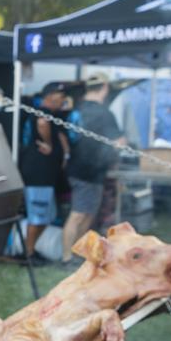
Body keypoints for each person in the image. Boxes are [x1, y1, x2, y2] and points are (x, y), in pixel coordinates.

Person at [61, 74, 124, 264]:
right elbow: (119, 143)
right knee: (79, 215)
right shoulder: (105, 113)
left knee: (87, 214)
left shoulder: (77, 109)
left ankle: (78, 255)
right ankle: (66, 258)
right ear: (104, 88)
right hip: (89, 171)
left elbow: (65, 137)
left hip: (79, 169)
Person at [17, 81, 67, 265]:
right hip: (37, 175)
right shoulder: (43, 113)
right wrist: (49, 144)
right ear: (50, 97)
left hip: (44, 177)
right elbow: (42, 123)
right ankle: (28, 255)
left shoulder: (49, 113)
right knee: (37, 216)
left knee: (45, 216)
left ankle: (32, 250)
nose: (62, 101)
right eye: (60, 97)